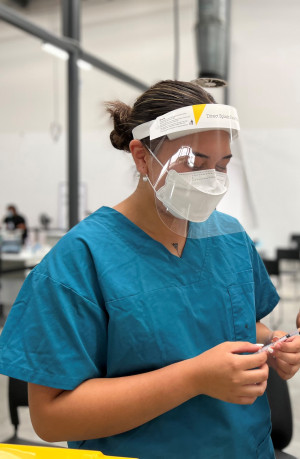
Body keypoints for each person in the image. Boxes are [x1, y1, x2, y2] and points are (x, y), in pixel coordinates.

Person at [0, 80, 300, 459]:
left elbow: (233, 323)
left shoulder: (230, 237)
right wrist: (193, 379)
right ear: (141, 157)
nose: (212, 179)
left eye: (222, 164)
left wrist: (273, 342)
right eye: (194, 162)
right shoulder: (81, 259)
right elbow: (51, 416)